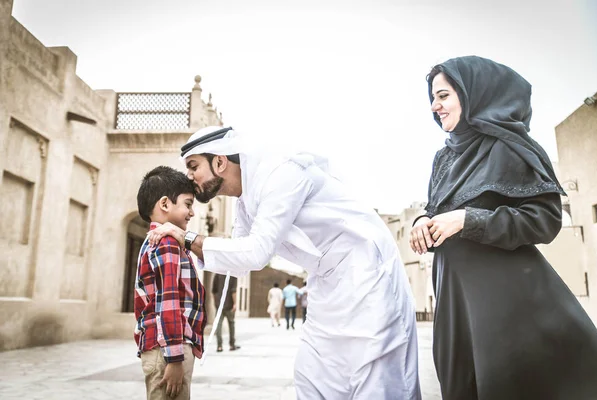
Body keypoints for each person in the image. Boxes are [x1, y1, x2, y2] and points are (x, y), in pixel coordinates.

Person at [147, 126, 422, 399]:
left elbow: (256, 252)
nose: (189, 176)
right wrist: (185, 242)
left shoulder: (280, 173)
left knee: (377, 381)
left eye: (193, 166)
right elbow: (241, 263)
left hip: (367, 276)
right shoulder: (245, 201)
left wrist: (187, 238)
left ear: (219, 161)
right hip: (326, 285)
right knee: (313, 377)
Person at [410, 55, 597, 400]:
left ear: (473, 95)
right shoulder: (443, 157)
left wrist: (469, 220)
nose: (435, 106)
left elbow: (544, 221)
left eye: (443, 96)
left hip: (507, 308)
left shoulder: (509, 147)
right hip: (455, 302)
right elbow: (439, 210)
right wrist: (423, 221)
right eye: (433, 98)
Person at [134, 166, 207, 400]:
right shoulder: (167, 243)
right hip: (169, 351)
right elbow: (168, 301)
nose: (192, 212)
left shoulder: (159, 240)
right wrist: (175, 359)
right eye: (188, 204)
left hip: (162, 347)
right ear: (165, 204)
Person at [211, 273, 240, 352]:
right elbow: (233, 291)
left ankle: (219, 346)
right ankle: (232, 345)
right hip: (229, 305)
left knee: (218, 325)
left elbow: (214, 291)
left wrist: (216, 303)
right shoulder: (233, 275)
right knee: (231, 324)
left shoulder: (218, 274)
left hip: (219, 305)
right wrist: (235, 303)